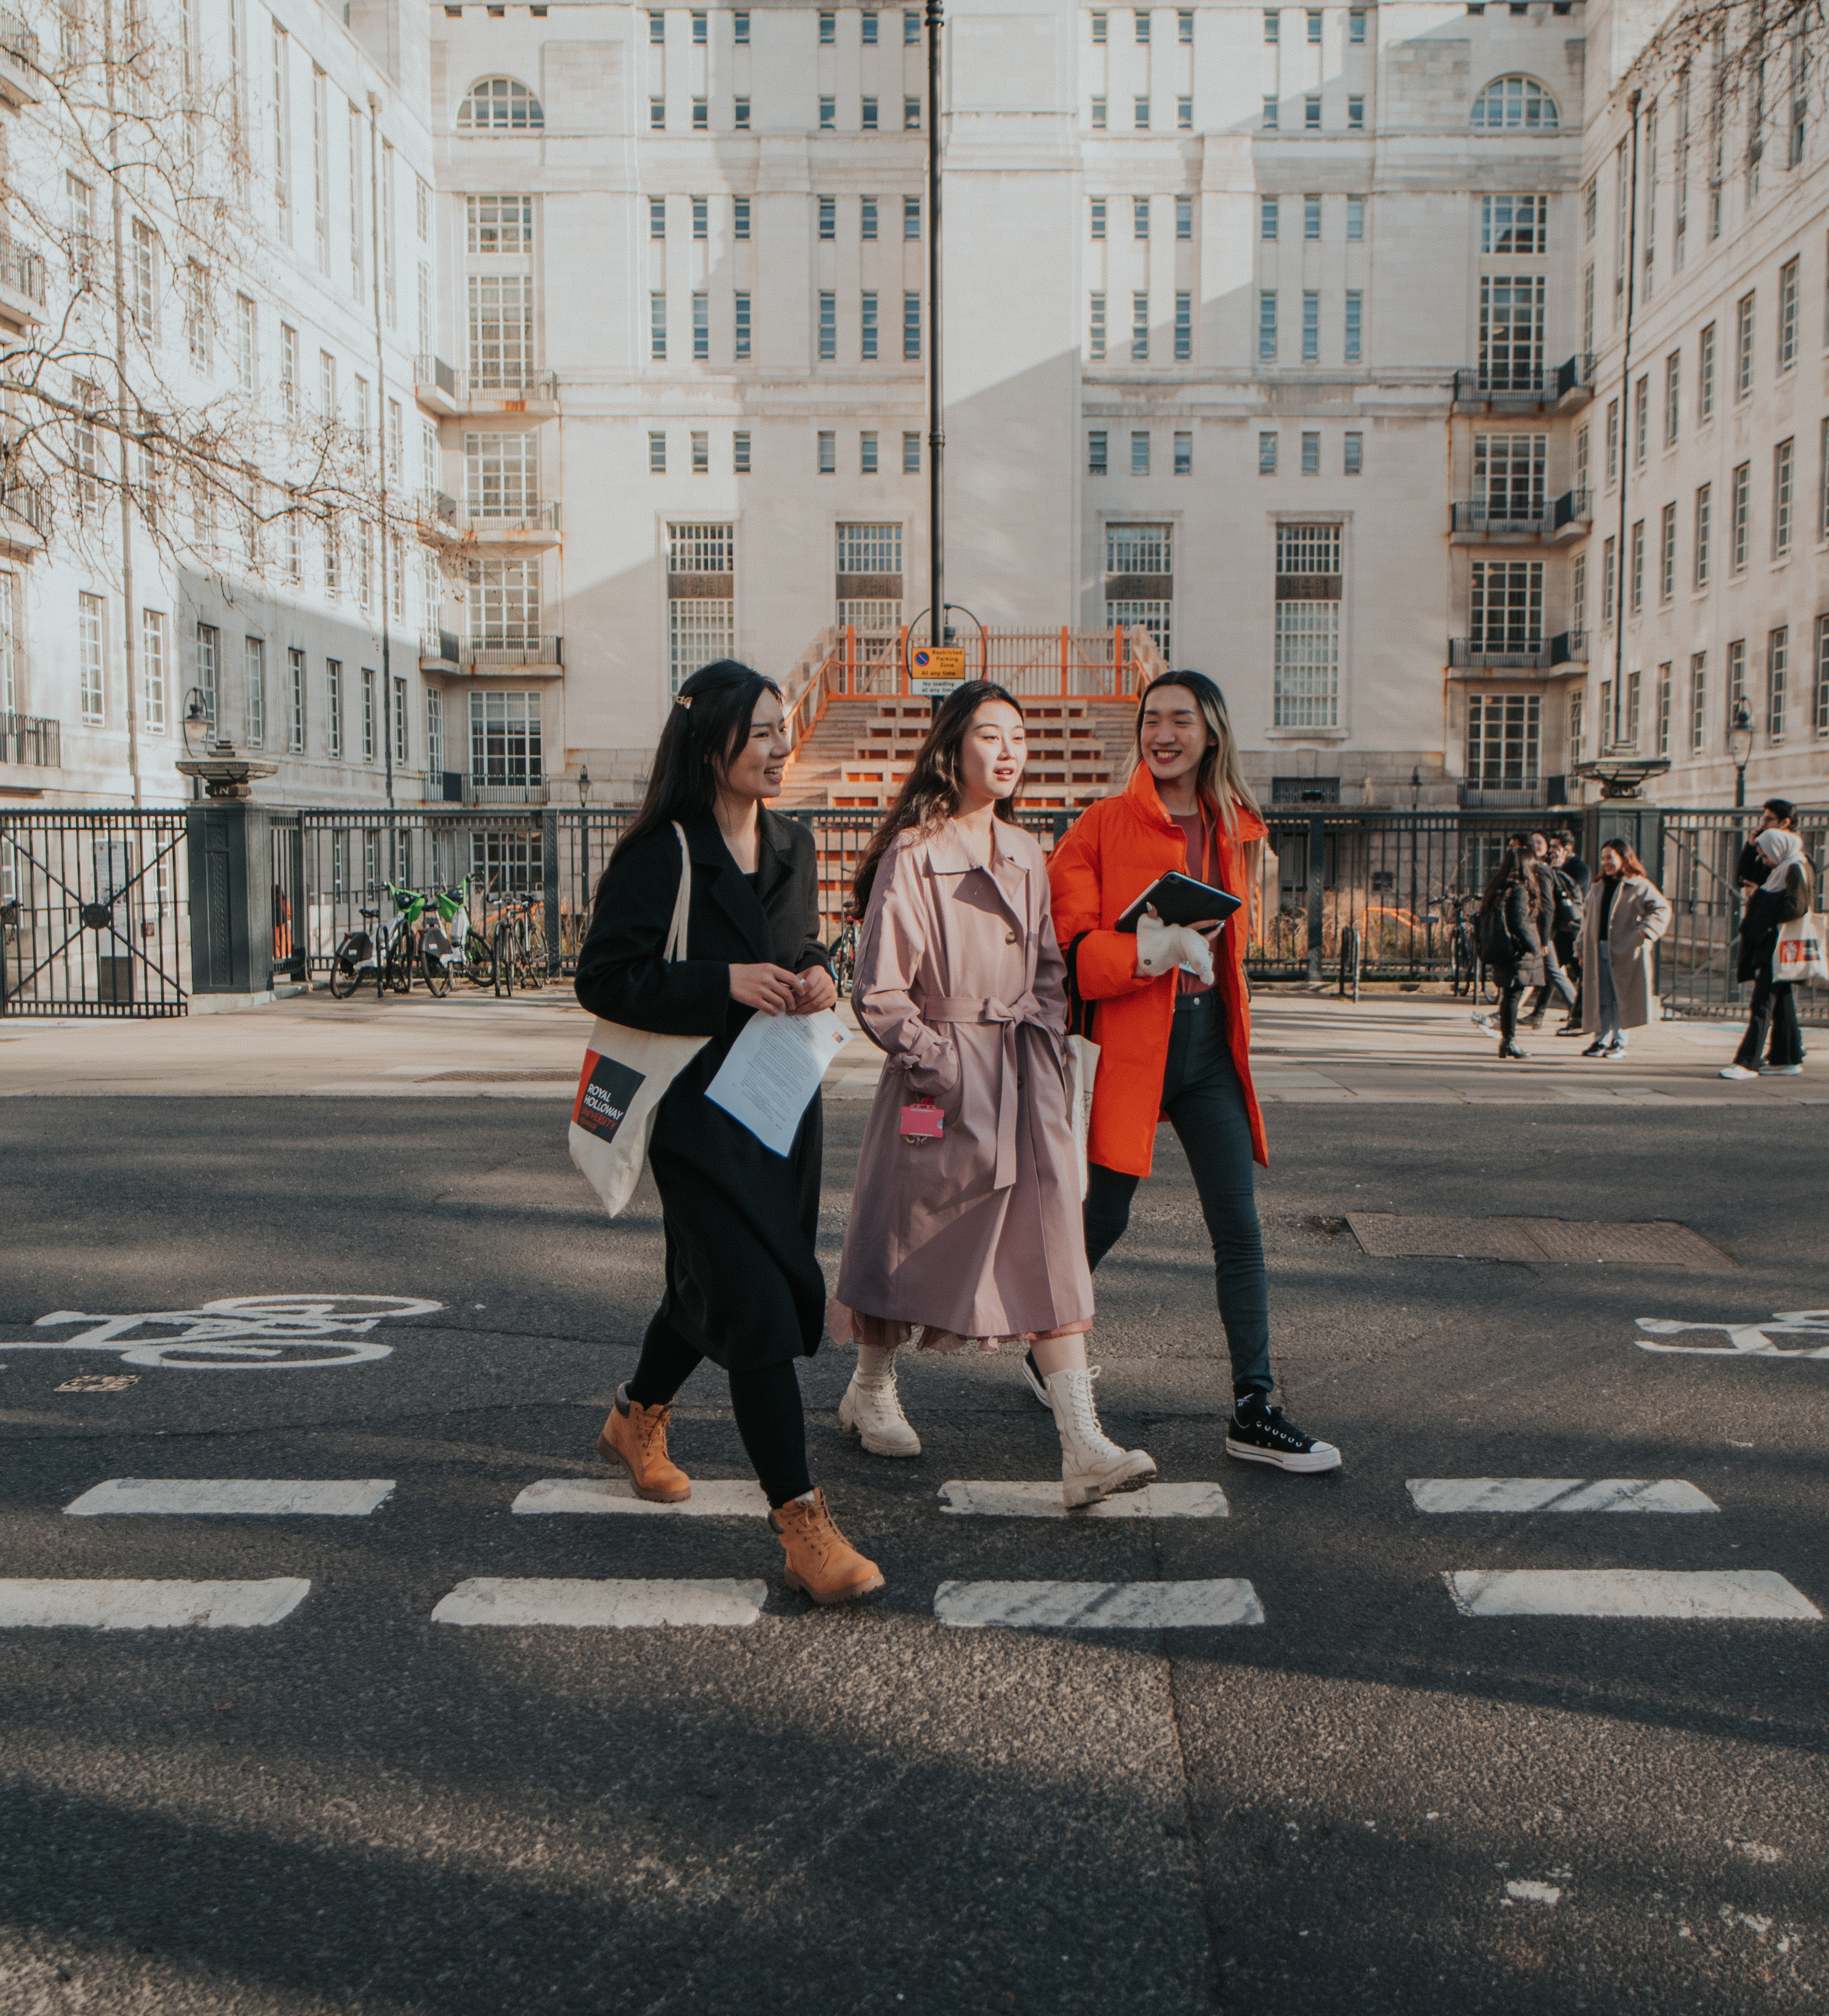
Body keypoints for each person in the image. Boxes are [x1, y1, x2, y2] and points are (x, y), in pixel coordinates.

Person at [572, 660, 881, 1604]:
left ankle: (637, 1414)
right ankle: (801, 1525)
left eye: (782, 729)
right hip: (694, 1114)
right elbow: (604, 977)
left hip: (779, 1102)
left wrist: (819, 972)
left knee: (716, 1284)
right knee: (753, 1304)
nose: (780, 746)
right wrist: (723, 981)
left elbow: (795, 947)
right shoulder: (659, 851)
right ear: (708, 740)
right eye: (759, 731)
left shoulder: (793, 838)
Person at [833, 680, 1156, 1508]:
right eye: (989, 735)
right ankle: (870, 1386)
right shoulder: (914, 854)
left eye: (1018, 735)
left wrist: (1042, 1042)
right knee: (900, 1236)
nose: (1008, 750)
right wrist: (937, 1060)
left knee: (1054, 1245)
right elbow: (877, 990)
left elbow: (1048, 971)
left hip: (1022, 1075)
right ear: (952, 748)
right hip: (935, 1081)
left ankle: (1082, 1442)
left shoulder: (1027, 852)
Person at [1050, 667, 1341, 1474]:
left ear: (1210, 731)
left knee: (1237, 1229)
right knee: (1098, 1221)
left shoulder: (1235, 828)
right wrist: (1151, 947)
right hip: (1126, 1051)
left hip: (1208, 1047)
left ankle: (1255, 1406)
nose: (1162, 732)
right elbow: (1075, 959)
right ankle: (1048, 1347)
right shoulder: (1100, 825)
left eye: (1180, 718)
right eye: (1151, 718)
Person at [1726, 798, 1809, 1080]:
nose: (1762, 860)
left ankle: (1747, 1062)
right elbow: (1743, 877)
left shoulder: (1793, 866)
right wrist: (1752, 847)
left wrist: (1761, 896)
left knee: (1761, 1004)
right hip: (1772, 943)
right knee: (1781, 1001)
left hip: (1777, 943)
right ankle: (1788, 1057)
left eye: (1768, 820)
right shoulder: (1782, 865)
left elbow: (1795, 906)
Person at [1579, 838, 1670, 1060]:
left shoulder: (1638, 884)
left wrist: (1643, 933)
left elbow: (1662, 909)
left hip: (1626, 950)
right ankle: (1599, 1039)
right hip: (1597, 949)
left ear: (1624, 858)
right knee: (1601, 996)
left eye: (1610, 857)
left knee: (1622, 996)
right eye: (1603, 858)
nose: (1606, 863)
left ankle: (1619, 1041)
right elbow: (1586, 919)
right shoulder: (1597, 886)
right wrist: (1580, 949)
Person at [1473, 832, 1545, 1060]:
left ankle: (1507, 1041)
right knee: (1513, 996)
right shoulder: (1520, 890)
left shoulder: (1499, 887)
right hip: (1516, 951)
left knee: (1509, 995)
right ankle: (1509, 1040)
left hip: (1502, 948)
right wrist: (1535, 946)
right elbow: (1518, 922)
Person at [1524, 832, 1584, 1031]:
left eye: (1555, 846)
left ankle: (1579, 1013)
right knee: (1553, 972)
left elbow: (1548, 905)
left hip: (1565, 930)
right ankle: (1540, 1014)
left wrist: (1544, 936)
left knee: (1559, 972)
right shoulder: (1545, 867)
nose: (1552, 850)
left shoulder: (1569, 869)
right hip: (1556, 930)